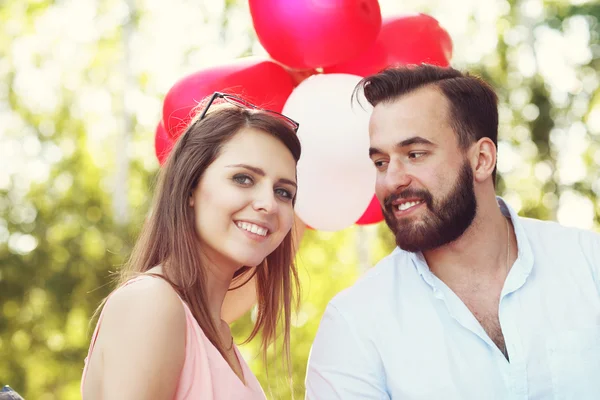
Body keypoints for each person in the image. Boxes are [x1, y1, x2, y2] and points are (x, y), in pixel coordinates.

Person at [305, 64, 600, 399]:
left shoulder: (589, 264)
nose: (391, 180)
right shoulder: (353, 326)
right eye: (381, 162)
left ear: (482, 159)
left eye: (414, 154)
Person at [81, 92, 302, 399]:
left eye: (283, 192)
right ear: (190, 188)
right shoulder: (151, 302)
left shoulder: (217, 332)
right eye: (243, 178)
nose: (269, 204)